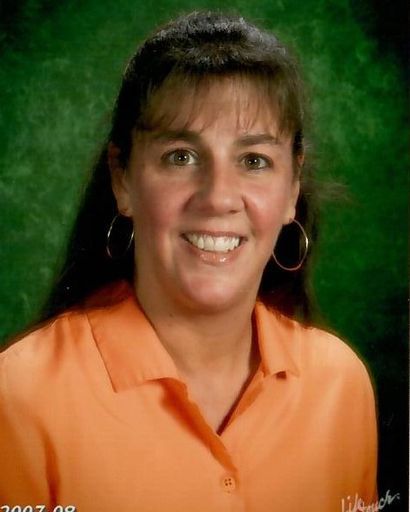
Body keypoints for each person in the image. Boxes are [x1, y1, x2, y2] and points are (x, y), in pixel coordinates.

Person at [0, 10, 377, 512]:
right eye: (181, 156)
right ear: (123, 179)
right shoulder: (20, 396)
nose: (218, 197)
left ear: (292, 188)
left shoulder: (341, 385)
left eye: (254, 161)